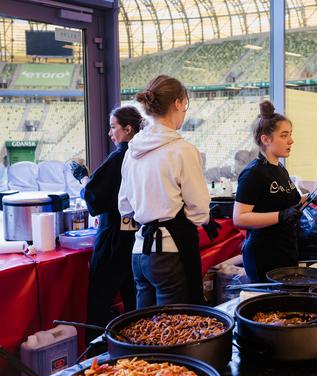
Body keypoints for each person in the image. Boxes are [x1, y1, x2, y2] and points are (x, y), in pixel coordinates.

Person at [118, 75, 215, 307]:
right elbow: (200, 212)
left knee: (143, 331)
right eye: (185, 105)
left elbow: (124, 206)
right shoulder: (182, 150)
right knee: (171, 331)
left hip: (139, 252)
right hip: (170, 253)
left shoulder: (132, 151)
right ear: (179, 104)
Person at [69, 106, 142, 339]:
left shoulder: (120, 156)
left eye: (113, 127)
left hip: (113, 238)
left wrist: (82, 177)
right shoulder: (143, 154)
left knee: (100, 301)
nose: (110, 134)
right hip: (136, 238)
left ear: (128, 129)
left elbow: (95, 198)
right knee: (134, 301)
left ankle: (97, 355)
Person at [233, 101, 302, 282]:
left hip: (286, 251)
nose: (291, 141)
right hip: (264, 256)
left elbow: (286, 205)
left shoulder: (280, 169)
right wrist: (280, 216)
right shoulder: (253, 173)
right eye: (284, 135)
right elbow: (239, 218)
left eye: (290, 135)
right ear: (265, 139)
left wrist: (308, 200)